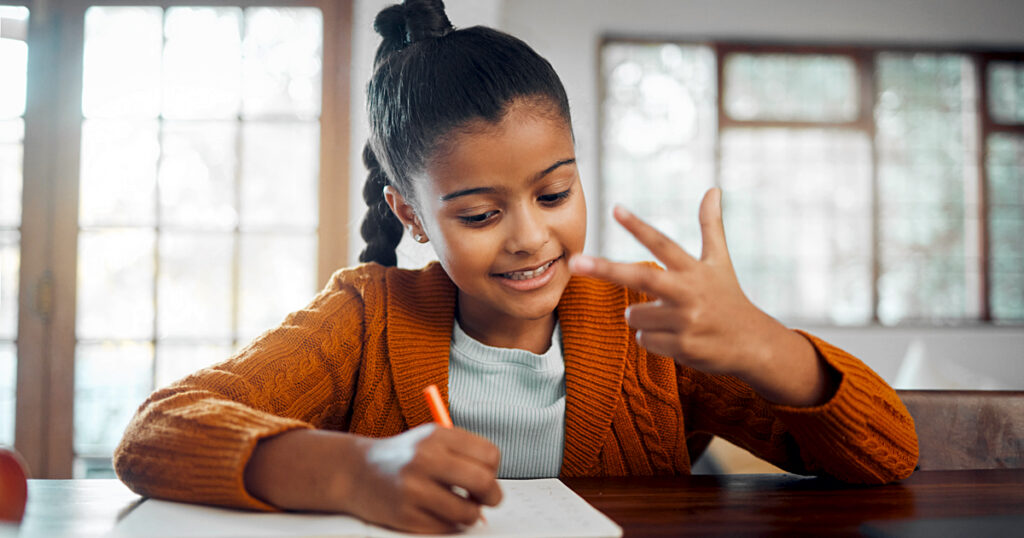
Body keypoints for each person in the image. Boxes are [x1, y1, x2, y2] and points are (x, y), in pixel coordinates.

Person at [113, 0, 919, 533]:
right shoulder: (364, 317)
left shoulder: (649, 324)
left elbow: (890, 457)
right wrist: (355, 470)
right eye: (479, 214)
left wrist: (763, 346)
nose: (531, 237)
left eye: (556, 191)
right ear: (413, 218)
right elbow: (155, 433)